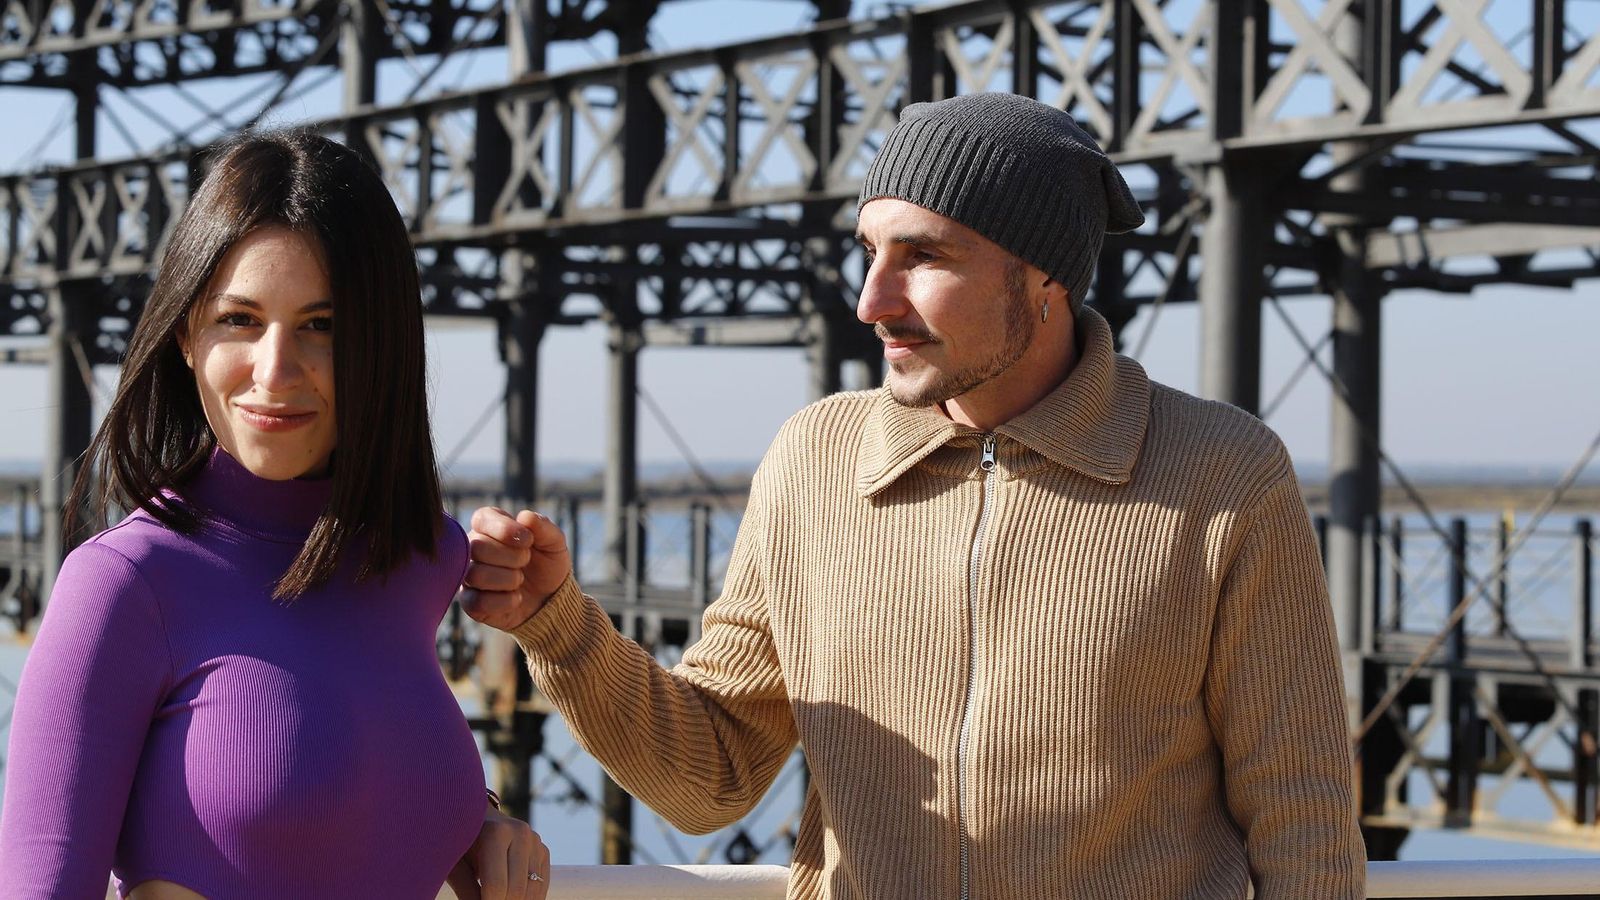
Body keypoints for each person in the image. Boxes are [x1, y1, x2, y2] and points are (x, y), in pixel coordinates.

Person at [461, 93, 1364, 898]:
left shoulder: (1225, 473)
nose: (871, 300)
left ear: (1046, 277)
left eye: (923, 256)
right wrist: (559, 624)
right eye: (869, 250)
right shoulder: (816, 459)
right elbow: (713, 778)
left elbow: (1304, 824)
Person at [0, 131, 549, 899]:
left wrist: (476, 818)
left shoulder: (418, 559)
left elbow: (355, 763)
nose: (275, 370)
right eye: (239, 320)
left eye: (322, 325)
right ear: (187, 334)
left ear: (380, 343)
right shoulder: (123, 585)